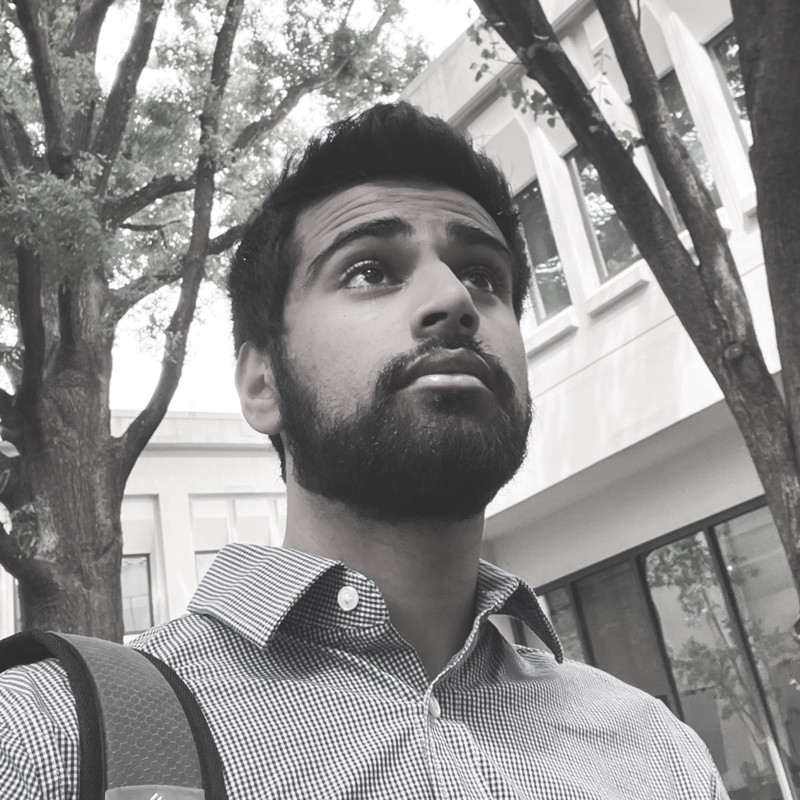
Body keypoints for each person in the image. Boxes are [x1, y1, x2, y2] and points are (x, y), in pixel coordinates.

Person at [0, 102, 729, 799]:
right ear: (262, 384)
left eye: (484, 276)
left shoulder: (659, 754)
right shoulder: (42, 738)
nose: (456, 301)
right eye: (370, 270)